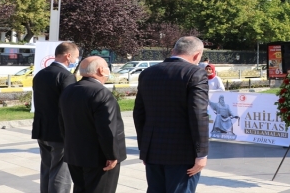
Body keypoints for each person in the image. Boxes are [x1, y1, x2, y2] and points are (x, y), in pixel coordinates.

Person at [133, 36, 209, 193]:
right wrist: (201, 153)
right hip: (183, 153)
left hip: (153, 150)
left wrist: (145, 149)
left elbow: (139, 114)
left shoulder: (148, 73)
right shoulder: (195, 73)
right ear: (197, 55)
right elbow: (198, 114)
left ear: (174, 50)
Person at [59, 56, 127, 193]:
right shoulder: (101, 93)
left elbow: (62, 123)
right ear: (101, 70)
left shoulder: (69, 90)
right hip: (99, 159)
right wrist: (112, 155)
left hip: (75, 154)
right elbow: (107, 129)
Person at [32, 41, 79, 193]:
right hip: (60, 133)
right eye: (76, 57)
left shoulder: (40, 74)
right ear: (68, 56)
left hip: (42, 130)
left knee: (46, 169)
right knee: (60, 173)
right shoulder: (66, 76)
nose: (75, 61)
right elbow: (69, 107)